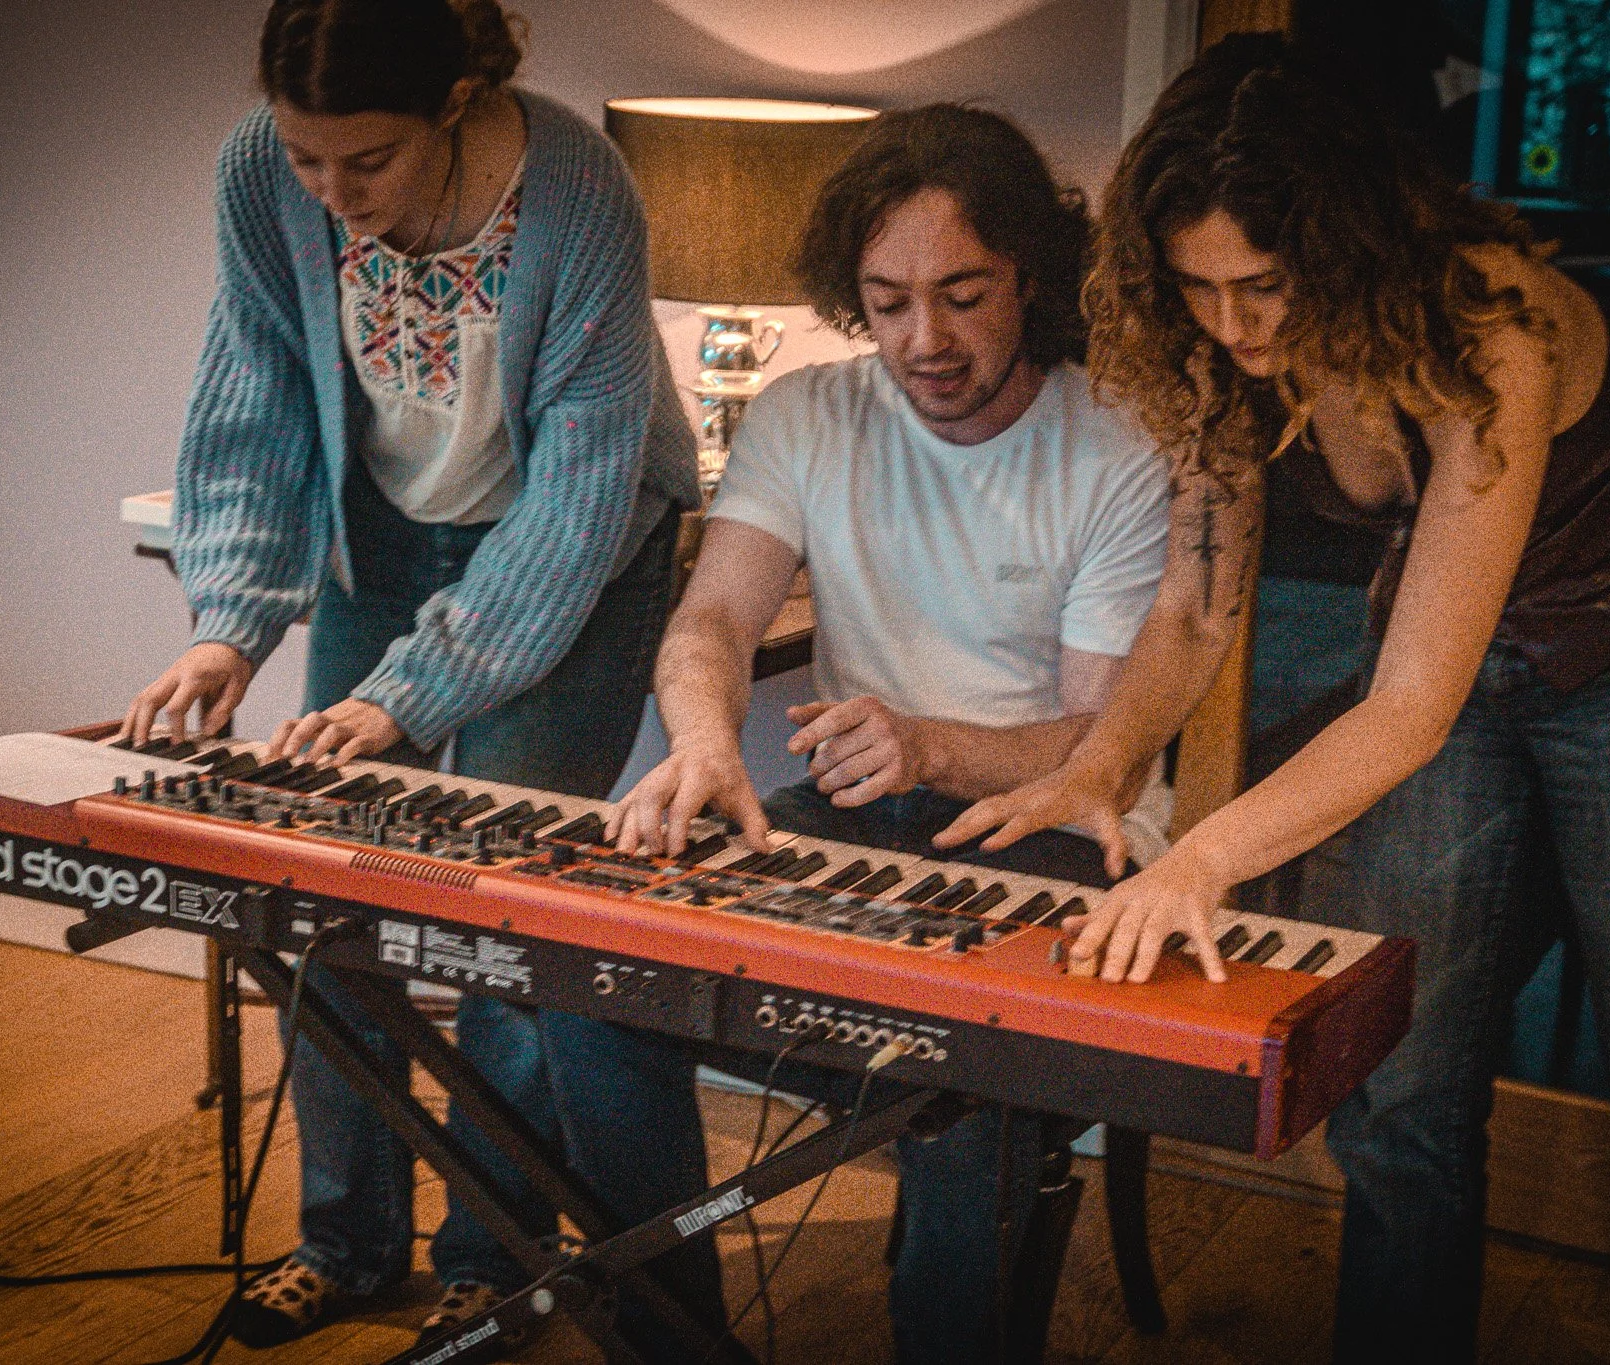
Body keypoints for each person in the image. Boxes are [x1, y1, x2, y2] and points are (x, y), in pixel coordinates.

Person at [935, 35, 1610, 1360]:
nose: (1232, 325)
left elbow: (1405, 713)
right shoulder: (1213, 352)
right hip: (1448, 662)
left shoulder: (1488, 327)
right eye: (1197, 286)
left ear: (1346, 245)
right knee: (1397, 1081)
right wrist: (1102, 764)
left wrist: (1200, 861)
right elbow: (1197, 606)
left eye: (1264, 286)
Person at [116, 0, 721, 1354]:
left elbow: (578, 490)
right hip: (381, 533)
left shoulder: (578, 191)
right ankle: (346, 1241)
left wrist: (408, 694)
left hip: (578, 546)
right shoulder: (260, 174)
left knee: (496, 912)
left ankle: (493, 1255)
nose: (331, 193)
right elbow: (257, 390)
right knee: (331, 886)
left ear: (455, 100)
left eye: (369, 160)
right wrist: (232, 623)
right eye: (306, 157)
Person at [608, 104, 1172, 1363]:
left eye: (962, 296)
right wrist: (701, 743)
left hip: (1053, 831)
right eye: (887, 301)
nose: (925, 339)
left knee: (962, 1070)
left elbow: (1102, 746)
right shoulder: (806, 413)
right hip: (861, 818)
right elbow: (711, 624)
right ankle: (668, 1339)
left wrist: (929, 746)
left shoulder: (1117, 442)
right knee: (602, 991)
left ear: (1028, 274)